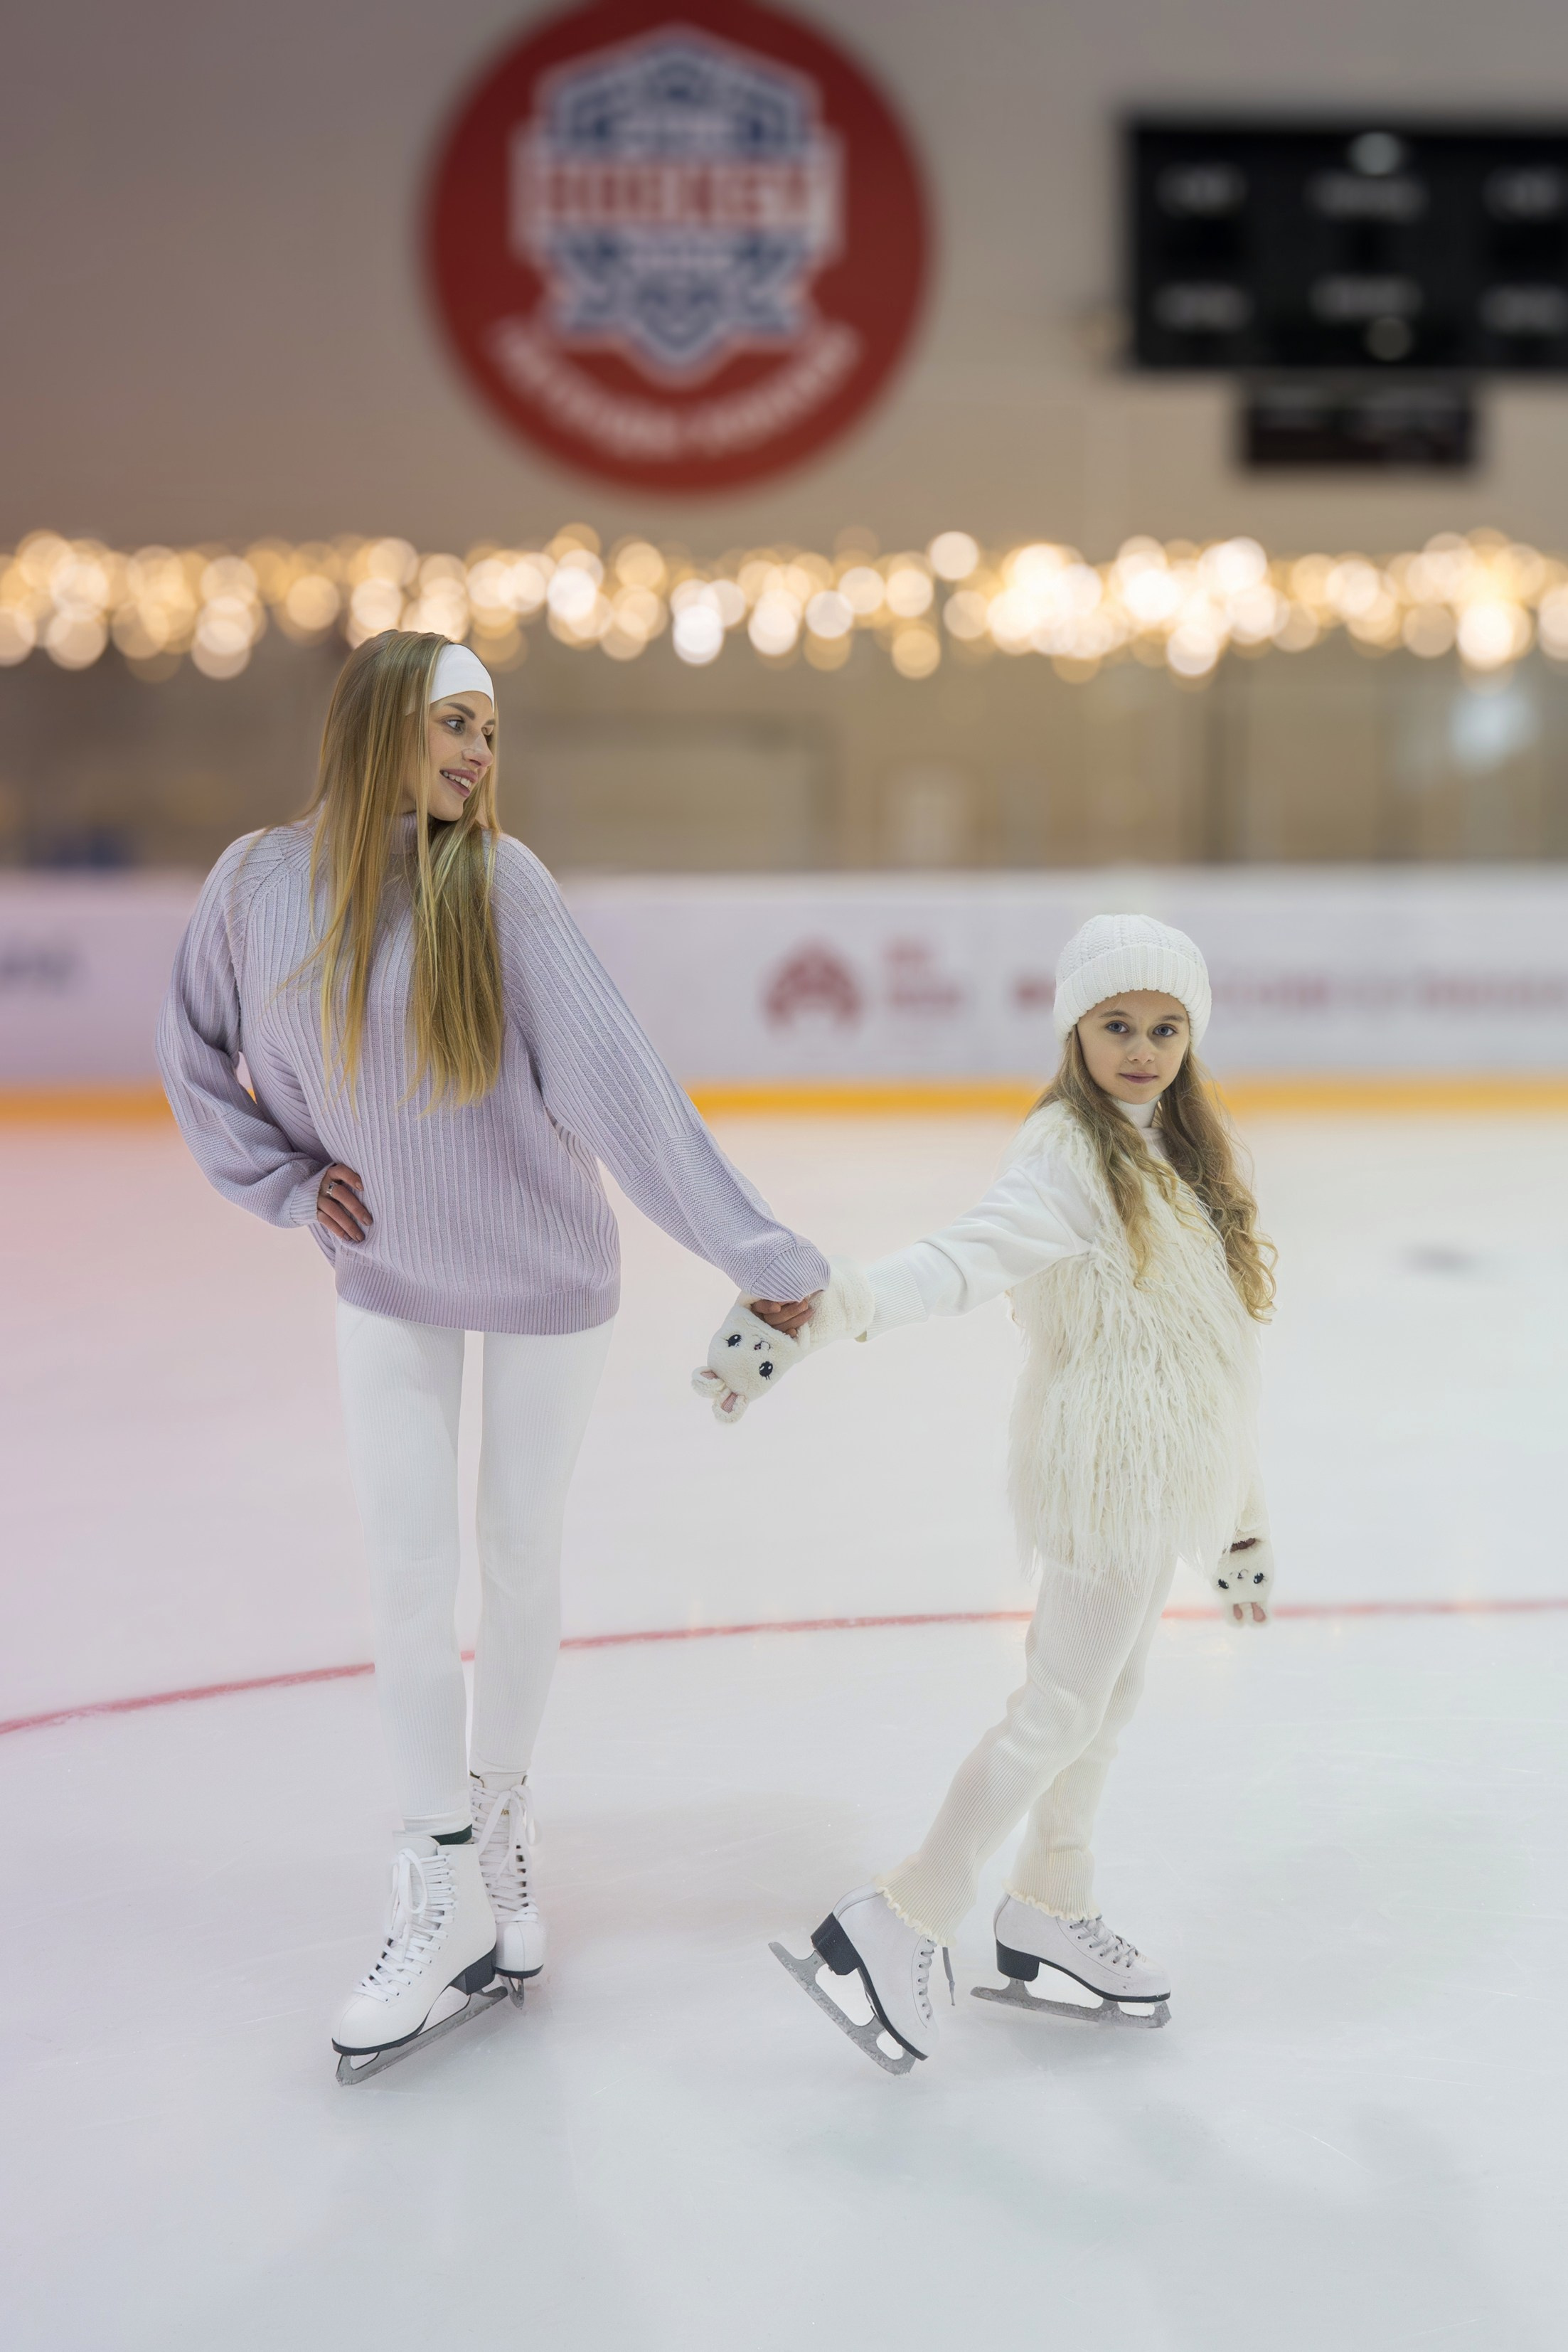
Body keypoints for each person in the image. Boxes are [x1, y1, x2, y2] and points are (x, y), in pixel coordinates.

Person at [158, 629, 826, 2080]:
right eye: (454, 723)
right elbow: (194, 1048)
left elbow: (626, 1092)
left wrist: (760, 1255)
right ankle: (434, 1873)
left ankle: (503, 1813)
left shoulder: (499, 884)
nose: (475, 754)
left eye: (490, 733)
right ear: (382, 725)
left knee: (517, 1555)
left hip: (542, 1275)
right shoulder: (255, 886)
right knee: (407, 1573)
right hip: (387, 1275)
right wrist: (283, 1179)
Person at [694, 915, 1275, 2075]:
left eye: (1165, 1028)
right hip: (1103, 1471)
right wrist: (830, 1306)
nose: (1142, 1047)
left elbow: (1212, 1359)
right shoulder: (1068, 1153)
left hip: (1156, 1477)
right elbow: (958, 1262)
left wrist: (1236, 1517)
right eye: (1117, 1024)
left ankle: (1048, 1910)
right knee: (1058, 1710)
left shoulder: (1173, 1150)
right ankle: (900, 1916)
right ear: (1075, 1028)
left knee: (1098, 1708)